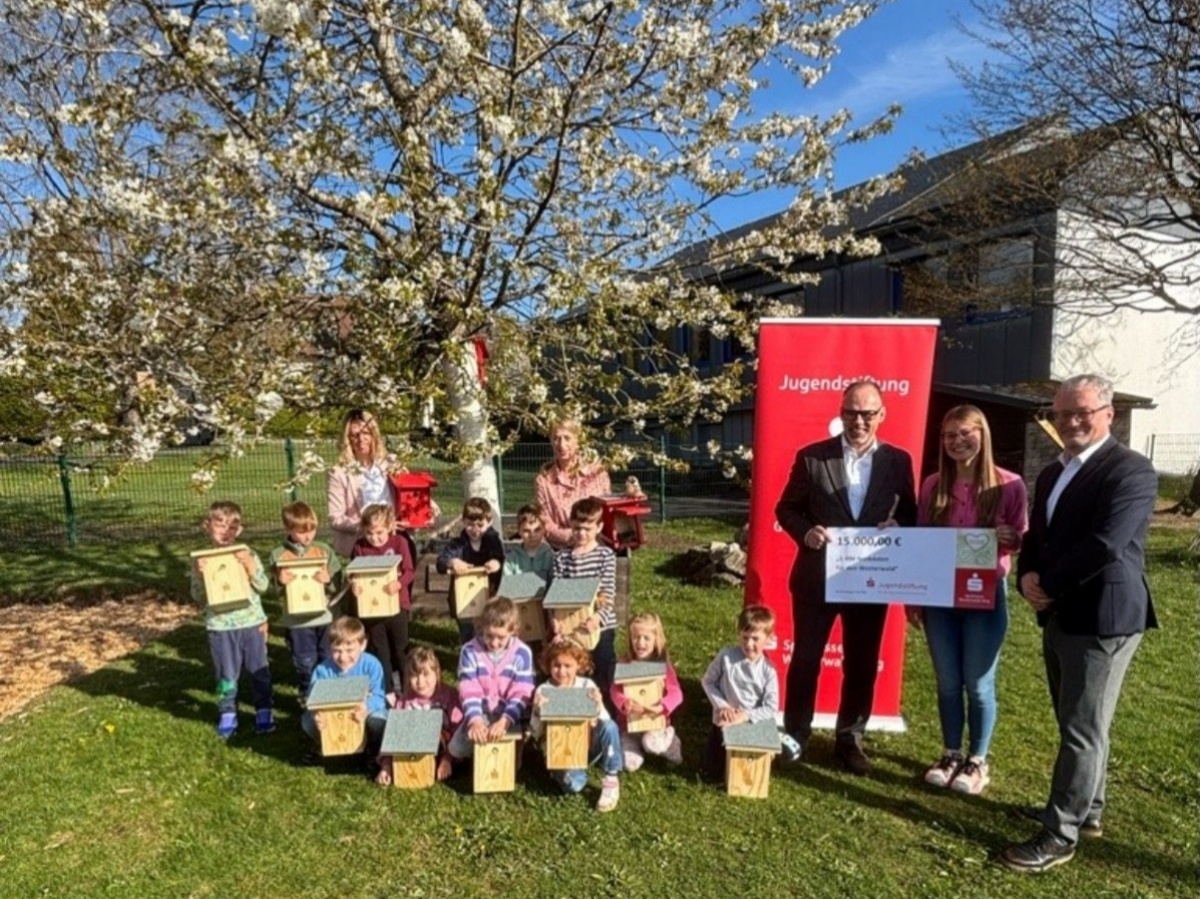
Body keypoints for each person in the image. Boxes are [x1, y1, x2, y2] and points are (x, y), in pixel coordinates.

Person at [1001, 374, 1158, 873]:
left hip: (1103, 617)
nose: (1070, 421)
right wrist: (1027, 573)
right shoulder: (1052, 471)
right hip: (1061, 610)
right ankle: (1086, 811)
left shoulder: (1131, 471)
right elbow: (1037, 533)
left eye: (1081, 411)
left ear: (1108, 413)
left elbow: (1107, 544)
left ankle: (1060, 833)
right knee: (1080, 722)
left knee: (1082, 730)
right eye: (1061, 412)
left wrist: (1047, 581)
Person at [776, 380, 917, 774]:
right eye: (851, 412)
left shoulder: (898, 461)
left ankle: (849, 740)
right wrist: (807, 532)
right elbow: (785, 509)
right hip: (817, 578)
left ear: (881, 415)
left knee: (862, 662)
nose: (859, 420)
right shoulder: (812, 458)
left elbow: (910, 513)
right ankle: (796, 736)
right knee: (805, 660)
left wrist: (898, 524)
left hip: (870, 578)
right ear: (841, 413)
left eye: (868, 413)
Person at [909, 406, 1028, 795]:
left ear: (983, 434)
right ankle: (949, 753)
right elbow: (922, 545)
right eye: (949, 436)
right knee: (947, 682)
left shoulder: (1010, 486)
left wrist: (1010, 537)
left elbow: (1020, 541)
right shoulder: (931, 486)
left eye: (965, 433)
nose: (957, 442)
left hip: (985, 595)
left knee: (978, 684)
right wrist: (915, 598)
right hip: (940, 596)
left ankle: (977, 760)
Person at [190, 500, 274, 739]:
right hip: (220, 626)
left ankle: (264, 709)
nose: (226, 531)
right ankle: (227, 711)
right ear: (207, 526)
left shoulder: (247, 554)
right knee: (226, 672)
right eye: (220, 525)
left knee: (259, 669)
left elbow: (264, 586)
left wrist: (249, 566)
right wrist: (198, 574)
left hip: (251, 623)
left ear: (239, 530)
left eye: (232, 527)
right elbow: (198, 596)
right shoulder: (201, 560)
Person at [531, 640, 623, 812]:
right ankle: (568, 772)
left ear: (578, 665)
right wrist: (537, 710)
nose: (562, 671)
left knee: (610, 726)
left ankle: (611, 777)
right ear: (549, 665)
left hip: (588, 746)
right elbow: (535, 733)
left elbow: (604, 721)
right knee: (575, 785)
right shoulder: (544, 690)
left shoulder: (587, 686)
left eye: (568, 666)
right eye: (556, 665)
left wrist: (597, 705)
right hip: (561, 752)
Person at [268, 501, 343, 706]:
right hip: (297, 620)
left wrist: (329, 581)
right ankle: (307, 689)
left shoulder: (323, 550)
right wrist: (279, 581)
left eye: (312, 529)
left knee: (327, 654)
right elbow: (273, 588)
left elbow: (338, 582)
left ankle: (329, 692)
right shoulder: (278, 555)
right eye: (301, 531)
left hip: (324, 617)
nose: (308, 536)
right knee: (304, 659)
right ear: (288, 529)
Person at [447, 598, 536, 765]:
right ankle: (477, 750)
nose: (494, 643)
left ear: (513, 630)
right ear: (482, 628)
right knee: (456, 750)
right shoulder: (469, 651)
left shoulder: (522, 653)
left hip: (511, 715)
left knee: (508, 764)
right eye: (489, 636)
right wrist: (475, 720)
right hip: (482, 712)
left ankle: (521, 741)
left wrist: (504, 721)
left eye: (500, 637)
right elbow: (469, 690)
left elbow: (522, 693)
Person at [700, 605, 782, 781]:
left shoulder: (769, 671)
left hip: (751, 723)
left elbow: (771, 707)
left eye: (755, 639)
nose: (749, 644)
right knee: (709, 773)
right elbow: (708, 681)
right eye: (745, 637)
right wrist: (722, 706)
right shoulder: (726, 657)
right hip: (724, 720)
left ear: (768, 639)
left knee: (746, 773)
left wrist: (745, 715)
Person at [550, 497, 618, 702]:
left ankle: (606, 713)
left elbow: (607, 594)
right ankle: (575, 711)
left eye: (587, 529)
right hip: (571, 625)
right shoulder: (562, 557)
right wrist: (555, 619)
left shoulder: (605, 555)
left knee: (603, 669)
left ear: (599, 527)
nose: (581, 533)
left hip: (599, 626)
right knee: (573, 672)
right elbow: (556, 595)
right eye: (577, 528)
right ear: (571, 524)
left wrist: (597, 619)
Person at [301, 616, 389, 770]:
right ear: (330, 648)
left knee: (378, 721)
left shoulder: (372, 665)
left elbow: (379, 696)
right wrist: (317, 714)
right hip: (334, 718)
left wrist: (366, 707)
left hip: (361, 713)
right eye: (337, 651)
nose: (343, 657)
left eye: (349, 650)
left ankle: (373, 752)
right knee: (308, 722)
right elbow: (312, 698)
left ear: (363, 645)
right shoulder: (322, 670)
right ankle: (322, 745)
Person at [349, 503, 416, 696]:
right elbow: (353, 573)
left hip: (397, 606)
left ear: (389, 527)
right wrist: (354, 584)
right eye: (369, 533)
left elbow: (410, 571)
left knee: (401, 649)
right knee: (380, 651)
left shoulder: (399, 543)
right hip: (372, 609)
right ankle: (387, 692)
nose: (374, 538)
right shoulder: (360, 547)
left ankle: (409, 691)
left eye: (379, 532)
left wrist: (399, 583)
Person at [376, 645, 461, 786]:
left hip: (444, 751)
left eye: (426, 674)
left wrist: (448, 759)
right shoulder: (404, 701)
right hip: (412, 754)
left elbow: (458, 729)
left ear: (437, 673)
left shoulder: (450, 696)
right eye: (414, 675)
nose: (420, 682)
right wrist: (387, 766)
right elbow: (393, 736)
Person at [610, 612, 683, 770]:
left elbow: (676, 693)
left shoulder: (663, 666)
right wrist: (624, 703)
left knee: (652, 744)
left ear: (656, 640)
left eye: (646, 638)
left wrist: (661, 707)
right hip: (629, 725)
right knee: (629, 763)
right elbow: (614, 689)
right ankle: (635, 748)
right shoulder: (625, 663)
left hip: (654, 723)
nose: (640, 643)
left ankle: (670, 742)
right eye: (636, 637)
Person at [327, 409, 399, 557]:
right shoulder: (338, 473)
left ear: (374, 434)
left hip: (395, 539)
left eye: (365, 433)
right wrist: (367, 527)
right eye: (354, 435)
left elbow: (411, 493)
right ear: (347, 439)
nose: (361, 439)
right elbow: (335, 517)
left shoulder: (391, 464)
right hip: (362, 544)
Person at [436, 497, 506, 644]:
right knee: (468, 637)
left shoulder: (493, 542)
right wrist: (452, 562)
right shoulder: (458, 544)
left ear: (489, 522)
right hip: (463, 600)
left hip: (488, 597)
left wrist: (496, 563)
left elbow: (501, 560)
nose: (475, 530)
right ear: (463, 522)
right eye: (470, 525)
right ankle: (469, 663)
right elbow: (441, 562)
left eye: (480, 525)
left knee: (490, 635)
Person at [534, 418, 611, 550]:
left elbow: (607, 512)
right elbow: (545, 522)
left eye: (567, 438)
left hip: (595, 549)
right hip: (560, 552)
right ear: (551, 441)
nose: (561, 444)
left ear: (577, 440)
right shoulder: (544, 481)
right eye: (556, 438)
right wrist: (576, 535)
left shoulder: (597, 473)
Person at [503, 504, 556, 578]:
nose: (532, 535)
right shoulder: (511, 558)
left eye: (537, 530)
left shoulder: (551, 556)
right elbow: (508, 582)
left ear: (544, 529)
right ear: (519, 531)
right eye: (526, 531)